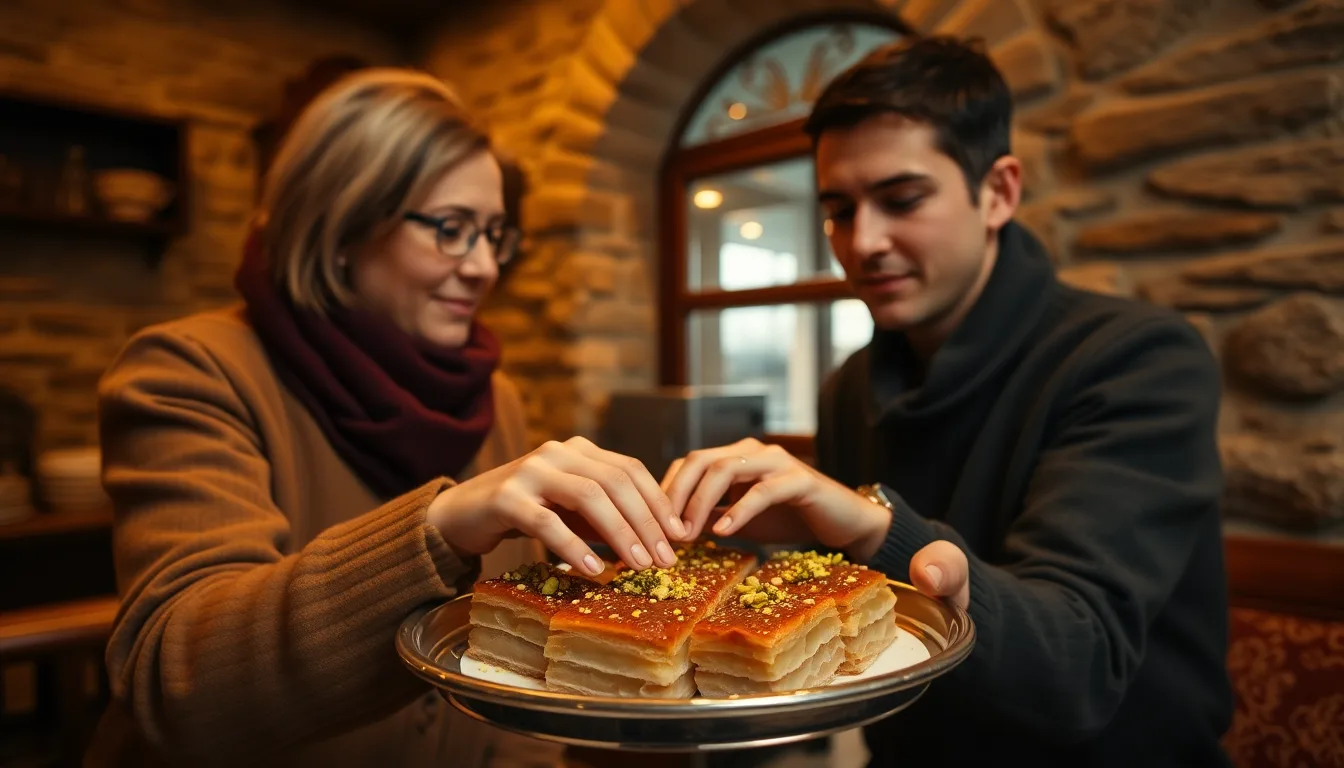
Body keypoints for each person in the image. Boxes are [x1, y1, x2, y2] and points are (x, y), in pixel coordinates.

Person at [86, 68, 685, 768]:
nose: (485, 267)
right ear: (340, 225)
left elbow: (516, 667)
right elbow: (178, 684)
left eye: (494, 234)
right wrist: (438, 528)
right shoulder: (191, 370)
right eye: (451, 229)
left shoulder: (497, 396)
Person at [661, 37, 1233, 767]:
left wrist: (874, 524)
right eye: (838, 210)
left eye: (902, 200)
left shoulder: (1136, 359)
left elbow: (1076, 670)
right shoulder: (851, 385)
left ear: (998, 192)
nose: (863, 242)